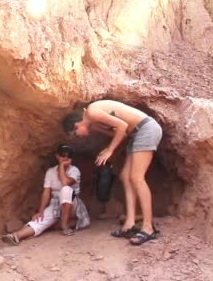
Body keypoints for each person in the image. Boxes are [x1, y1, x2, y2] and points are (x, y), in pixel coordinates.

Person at [62, 100, 163, 245]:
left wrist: (110, 150)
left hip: (146, 129)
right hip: (135, 135)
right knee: (125, 177)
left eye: (76, 133)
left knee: (136, 177)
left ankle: (148, 228)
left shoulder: (92, 112)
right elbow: (119, 132)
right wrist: (108, 148)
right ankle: (130, 223)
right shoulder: (94, 122)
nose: (80, 136)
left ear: (77, 124)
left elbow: (123, 126)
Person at [2, 145, 89, 245]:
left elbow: (65, 183)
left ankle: (64, 225)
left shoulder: (75, 170)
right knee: (40, 220)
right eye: (62, 155)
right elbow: (46, 192)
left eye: (68, 156)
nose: (65, 157)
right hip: (56, 204)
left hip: (73, 205)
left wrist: (61, 166)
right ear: (57, 156)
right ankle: (16, 236)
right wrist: (41, 211)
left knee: (65, 190)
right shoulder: (50, 172)